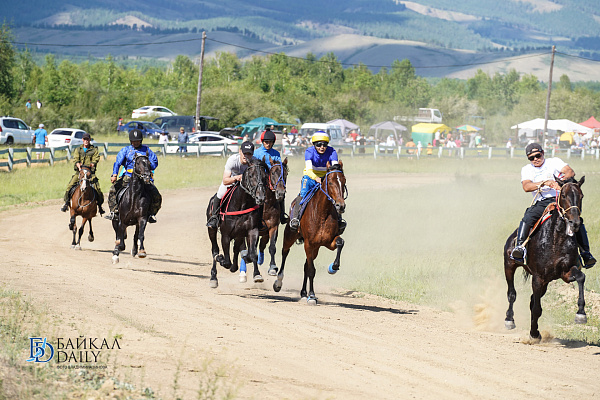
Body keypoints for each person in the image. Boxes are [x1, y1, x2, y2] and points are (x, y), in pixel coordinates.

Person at [510, 143, 596, 267]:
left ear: (543, 153)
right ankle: (520, 247)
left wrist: (561, 183)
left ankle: (585, 253)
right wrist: (546, 183)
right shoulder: (527, 169)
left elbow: (570, 172)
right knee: (528, 217)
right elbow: (526, 186)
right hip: (543, 201)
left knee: (576, 219)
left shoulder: (554, 162)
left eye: (537, 155)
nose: (535, 159)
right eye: (531, 158)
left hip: (562, 200)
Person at [289, 131, 345, 233]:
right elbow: (309, 170)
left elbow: (334, 168)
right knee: (303, 194)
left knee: (335, 195)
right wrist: (316, 178)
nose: (322, 147)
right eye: (319, 144)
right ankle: (295, 219)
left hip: (326, 178)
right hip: (310, 177)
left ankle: (339, 220)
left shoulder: (332, 152)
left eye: (324, 144)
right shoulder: (309, 152)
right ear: (314, 145)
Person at [105, 129, 161, 223]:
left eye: (138, 141)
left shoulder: (147, 150)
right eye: (134, 141)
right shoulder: (126, 150)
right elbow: (118, 163)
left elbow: (154, 162)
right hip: (128, 176)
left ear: (141, 141)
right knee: (112, 190)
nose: (136, 143)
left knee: (156, 195)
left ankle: (151, 214)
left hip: (144, 177)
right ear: (131, 141)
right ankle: (114, 212)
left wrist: (147, 167)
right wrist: (114, 174)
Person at [206, 142, 257, 229]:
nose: (246, 156)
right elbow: (225, 180)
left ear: (253, 154)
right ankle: (214, 217)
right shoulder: (232, 160)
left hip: (247, 185)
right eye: (245, 153)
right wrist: (237, 178)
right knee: (220, 194)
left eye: (249, 154)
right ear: (240, 151)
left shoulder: (254, 162)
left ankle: (258, 220)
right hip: (232, 181)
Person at [60, 133, 105, 215]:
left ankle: (99, 206)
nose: (86, 141)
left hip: (89, 173)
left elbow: (96, 158)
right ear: (82, 140)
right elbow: (76, 159)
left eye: (87, 139)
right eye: (84, 139)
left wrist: (92, 164)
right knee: (70, 185)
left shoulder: (94, 150)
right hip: (79, 173)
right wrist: (78, 166)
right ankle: (66, 203)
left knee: (97, 188)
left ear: (90, 140)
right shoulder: (78, 149)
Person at [254, 129, 289, 224]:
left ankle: (282, 215)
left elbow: (278, 168)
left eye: (270, 142)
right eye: (266, 142)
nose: (268, 144)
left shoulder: (276, 154)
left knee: (282, 191)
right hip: (260, 179)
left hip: (272, 180)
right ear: (262, 142)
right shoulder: (256, 153)